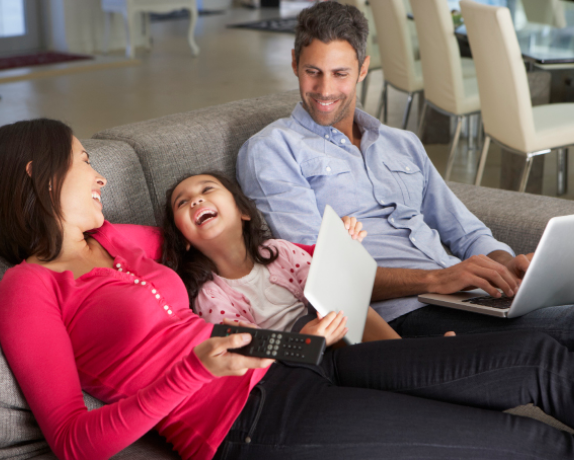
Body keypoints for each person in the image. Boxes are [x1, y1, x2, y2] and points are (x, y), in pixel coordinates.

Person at [0, 120, 574, 460]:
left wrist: (329, 248)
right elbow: (71, 441)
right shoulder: (27, 288)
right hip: (248, 422)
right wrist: (193, 372)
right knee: (525, 444)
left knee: (538, 360)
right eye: (86, 161)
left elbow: (233, 239)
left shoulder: (117, 239)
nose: (102, 175)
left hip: (298, 355)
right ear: (39, 172)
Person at [236, 1, 573, 345]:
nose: (324, 90)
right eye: (313, 72)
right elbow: (318, 273)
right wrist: (437, 280)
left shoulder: (402, 143)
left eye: (340, 74)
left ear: (363, 68)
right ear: (294, 62)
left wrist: (508, 265)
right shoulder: (273, 149)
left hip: (468, 295)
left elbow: (468, 233)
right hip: (403, 313)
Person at [161, 171, 401, 343]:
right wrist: (304, 341)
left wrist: (341, 247)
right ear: (184, 240)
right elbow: (247, 349)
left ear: (243, 211)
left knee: (345, 307)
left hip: (332, 329)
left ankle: (403, 352)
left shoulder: (280, 251)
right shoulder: (209, 295)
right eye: (182, 202)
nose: (196, 200)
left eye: (207, 189)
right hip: (295, 361)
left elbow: (327, 290)